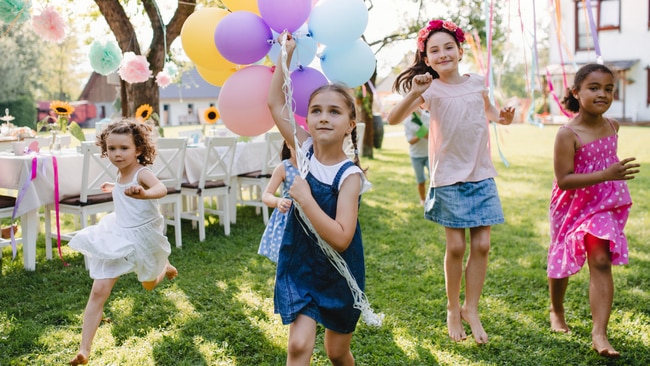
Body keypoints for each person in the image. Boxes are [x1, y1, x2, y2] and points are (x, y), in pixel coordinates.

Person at [387, 19, 515, 344]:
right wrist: (415, 91)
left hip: (481, 174)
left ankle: (472, 308)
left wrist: (505, 117)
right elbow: (393, 118)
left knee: (483, 245)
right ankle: (452, 307)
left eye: (448, 47)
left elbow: (492, 113)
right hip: (448, 178)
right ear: (426, 59)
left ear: (459, 50)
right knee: (456, 246)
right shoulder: (430, 89)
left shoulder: (477, 83)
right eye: (434, 50)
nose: (443, 54)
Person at [268, 32, 370, 365]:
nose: (323, 116)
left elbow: (342, 238)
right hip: (300, 264)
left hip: (339, 271)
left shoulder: (350, 176)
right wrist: (286, 55)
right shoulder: (304, 150)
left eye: (334, 112)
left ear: (349, 124)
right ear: (307, 120)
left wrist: (306, 198)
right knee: (298, 345)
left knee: (336, 352)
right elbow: (275, 104)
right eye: (315, 110)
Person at [547, 63, 640, 358]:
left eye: (609, 89)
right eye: (594, 88)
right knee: (561, 257)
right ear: (577, 92)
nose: (603, 94)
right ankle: (556, 310)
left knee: (600, 259)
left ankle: (599, 333)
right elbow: (564, 179)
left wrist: (608, 176)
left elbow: (606, 165)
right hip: (572, 203)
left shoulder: (613, 126)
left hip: (602, 205)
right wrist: (605, 174)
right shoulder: (567, 133)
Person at [68, 119, 178, 365]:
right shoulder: (120, 172)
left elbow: (161, 189)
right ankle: (84, 349)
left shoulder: (142, 173)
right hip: (118, 232)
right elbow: (123, 189)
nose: (117, 154)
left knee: (149, 284)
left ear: (138, 149)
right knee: (99, 290)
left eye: (124, 148)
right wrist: (114, 188)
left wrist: (144, 193)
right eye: (112, 149)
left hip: (144, 236)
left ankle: (164, 267)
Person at [258, 141, 299, 263]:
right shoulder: (284, 168)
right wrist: (278, 201)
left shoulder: (315, 166)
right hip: (289, 219)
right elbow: (266, 195)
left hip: (310, 217)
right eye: (298, 145)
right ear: (288, 143)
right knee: (286, 258)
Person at [403, 107, 430, 205]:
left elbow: (430, 136)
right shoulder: (407, 122)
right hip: (416, 156)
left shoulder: (427, 117)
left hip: (429, 154)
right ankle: (423, 200)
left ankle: (434, 199)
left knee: (434, 178)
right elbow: (410, 141)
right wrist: (422, 132)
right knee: (421, 180)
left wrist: (424, 132)